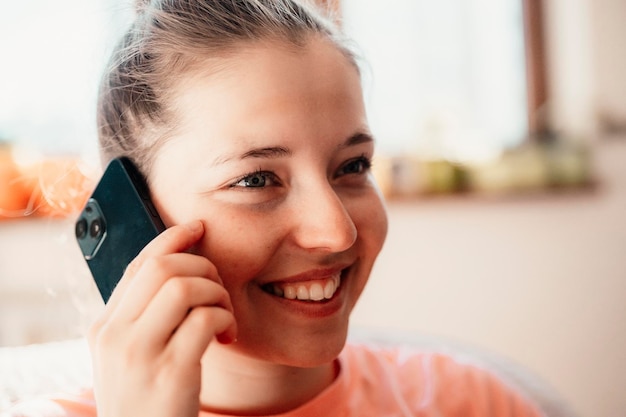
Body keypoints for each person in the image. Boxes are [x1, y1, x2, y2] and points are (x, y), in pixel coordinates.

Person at [8, 1, 546, 416]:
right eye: (256, 179)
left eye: (352, 166)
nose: (335, 232)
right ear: (136, 214)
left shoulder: (471, 400)